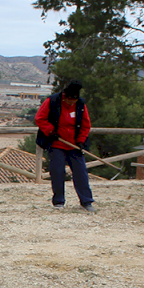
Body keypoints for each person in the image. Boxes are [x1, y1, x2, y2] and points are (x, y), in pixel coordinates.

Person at [34, 80, 96, 213]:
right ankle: (59, 201)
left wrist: (81, 141)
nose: (71, 103)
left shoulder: (81, 104)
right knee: (57, 172)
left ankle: (86, 201)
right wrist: (51, 131)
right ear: (64, 96)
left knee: (81, 172)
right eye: (69, 101)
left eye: (74, 101)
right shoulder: (52, 101)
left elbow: (85, 125)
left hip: (74, 145)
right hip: (56, 143)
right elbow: (40, 118)